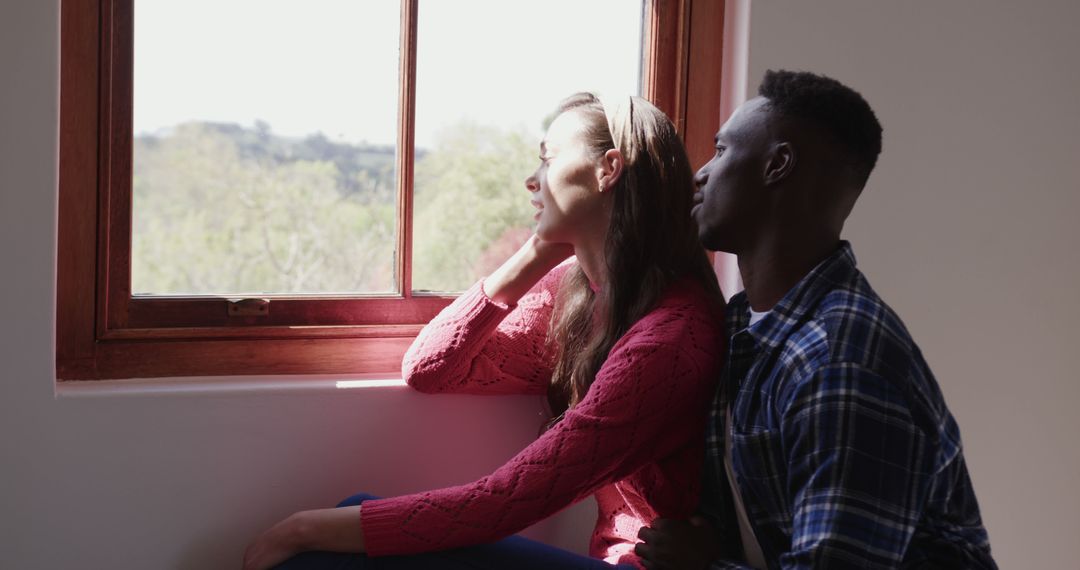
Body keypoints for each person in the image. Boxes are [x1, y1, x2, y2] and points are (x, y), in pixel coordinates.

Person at [242, 93, 726, 570]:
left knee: (326, 542)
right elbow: (430, 368)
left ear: (608, 169)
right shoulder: (579, 296)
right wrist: (539, 250)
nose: (532, 180)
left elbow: (502, 502)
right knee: (342, 528)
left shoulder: (668, 339)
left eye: (548, 159)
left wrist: (301, 528)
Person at [635, 70, 997, 569]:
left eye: (720, 151)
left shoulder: (840, 362)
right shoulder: (743, 327)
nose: (701, 173)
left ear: (777, 165)